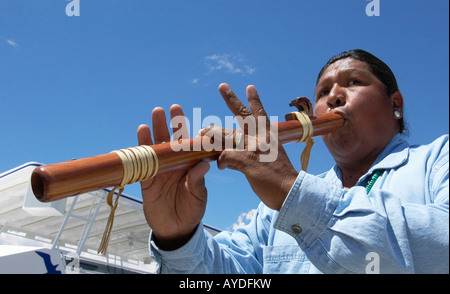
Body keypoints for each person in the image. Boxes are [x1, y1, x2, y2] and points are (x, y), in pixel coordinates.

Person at [136, 49, 449, 274]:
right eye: (323, 92)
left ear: (395, 104)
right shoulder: (274, 212)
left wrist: (290, 190)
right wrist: (178, 238)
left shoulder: (439, 159)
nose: (333, 97)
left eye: (353, 82)